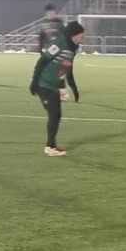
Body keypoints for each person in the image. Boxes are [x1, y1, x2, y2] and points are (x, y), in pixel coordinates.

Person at [35, 21, 85, 156]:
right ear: (75, 34)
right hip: (44, 84)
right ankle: (50, 147)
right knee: (54, 114)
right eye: (82, 33)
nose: (85, 36)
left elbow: (68, 67)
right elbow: (43, 60)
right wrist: (34, 83)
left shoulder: (73, 47)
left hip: (55, 85)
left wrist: (73, 87)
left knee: (56, 115)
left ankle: (52, 144)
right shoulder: (60, 44)